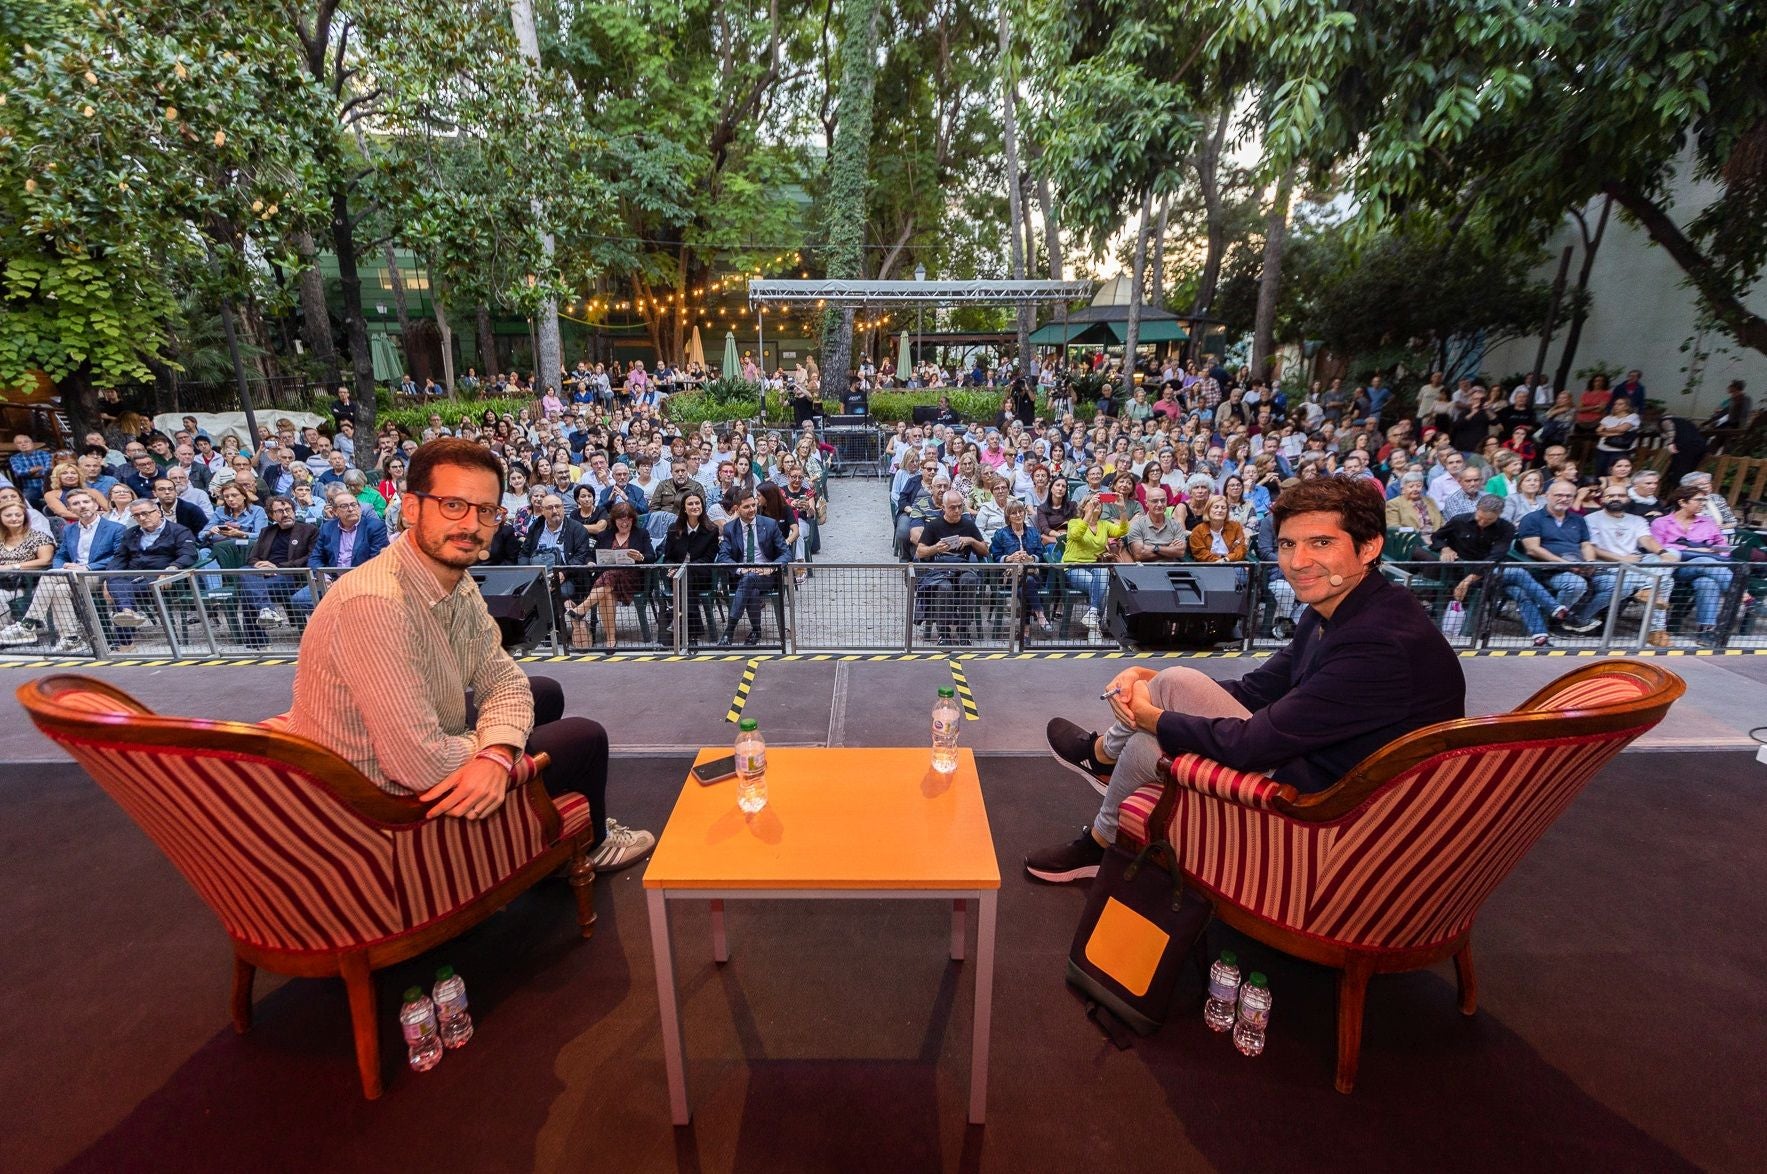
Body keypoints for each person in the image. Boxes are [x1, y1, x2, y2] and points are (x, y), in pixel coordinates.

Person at [1025, 476, 1466, 882]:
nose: (1298, 561)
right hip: (1321, 768)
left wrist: (1153, 718)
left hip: (1335, 808)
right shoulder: (1340, 608)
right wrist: (1151, 679)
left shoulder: (1376, 643)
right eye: (1289, 544)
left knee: (1149, 737)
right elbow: (1254, 690)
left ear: (1369, 547)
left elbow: (1254, 742)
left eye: (1321, 543)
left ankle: (1101, 790)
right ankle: (1101, 792)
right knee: (1170, 685)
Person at [280, 437, 652, 872]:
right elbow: (420, 764)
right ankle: (588, 845)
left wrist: (496, 750)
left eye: (486, 511)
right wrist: (498, 751)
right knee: (586, 738)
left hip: (426, 736)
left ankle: (532, 820)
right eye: (453, 505)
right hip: (377, 798)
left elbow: (505, 679)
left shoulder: (456, 581)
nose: (471, 524)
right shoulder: (375, 603)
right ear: (411, 508)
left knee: (542, 691)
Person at [0, 488, 124, 651]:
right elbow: (60, 555)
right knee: (59, 590)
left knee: (51, 577)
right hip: (70, 575)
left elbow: (118, 556)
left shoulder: (115, 528)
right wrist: (62, 567)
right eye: (76, 504)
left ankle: (28, 624)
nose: (82, 506)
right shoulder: (69, 529)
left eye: (86, 502)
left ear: (95, 505)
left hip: (98, 574)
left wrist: (86, 566)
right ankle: (71, 638)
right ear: (70, 509)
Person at [1513, 480, 1611, 637]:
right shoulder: (1532, 518)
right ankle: (1555, 621)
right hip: (1546, 569)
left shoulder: (1578, 520)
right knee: (1575, 584)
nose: (1564, 499)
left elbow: (1586, 545)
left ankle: (1575, 617)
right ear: (1547, 496)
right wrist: (1566, 564)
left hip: (1579, 565)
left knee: (1618, 584)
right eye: (1559, 495)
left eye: (1568, 496)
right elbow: (1533, 549)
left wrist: (1590, 562)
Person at [1651, 484, 1735, 647]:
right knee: (1704, 561)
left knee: (1707, 582)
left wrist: (1715, 552)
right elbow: (1658, 548)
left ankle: (1706, 631)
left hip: (1708, 568)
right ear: (1682, 502)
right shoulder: (1661, 522)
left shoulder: (1708, 522)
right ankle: (1741, 594)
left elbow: (1723, 547)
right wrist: (1693, 550)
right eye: (1698, 500)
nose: (1702, 503)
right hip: (1675, 568)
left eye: (1704, 500)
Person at [106, 497, 199, 641]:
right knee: (117, 583)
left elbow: (189, 554)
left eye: (145, 513)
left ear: (158, 512)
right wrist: (108, 578)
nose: (141, 518)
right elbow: (119, 559)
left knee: (120, 590)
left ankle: (125, 640)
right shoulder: (131, 533)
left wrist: (173, 568)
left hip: (161, 578)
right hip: (132, 577)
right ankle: (128, 612)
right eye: (136, 515)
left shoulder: (179, 531)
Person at [571, 500, 651, 650]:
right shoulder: (604, 535)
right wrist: (590, 563)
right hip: (607, 582)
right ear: (614, 520)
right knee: (607, 590)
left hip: (632, 580)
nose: (625, 523)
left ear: (633, 520)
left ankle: (581, 609)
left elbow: (651, 556)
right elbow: (590, 555)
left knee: (608, 576)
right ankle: (610, 639)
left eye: (628, 519)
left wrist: (641, 557)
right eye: (621, 519)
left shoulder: (641, 534)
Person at [238, 496, 319, 644]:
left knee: (249, 590)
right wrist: (260, 566)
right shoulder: (267, 531)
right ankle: (266, 610)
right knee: (245, 570)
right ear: (272, 515)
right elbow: (252, 558)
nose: (286, 514)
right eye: (280, 511)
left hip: (290, 575)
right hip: (264, 575)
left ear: (294, 511)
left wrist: (278, 567)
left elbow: (310, 557)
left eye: (288, 510)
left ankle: (256, 640)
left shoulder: (308, 530)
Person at [715, 488, 791, 646]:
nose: (752, 510)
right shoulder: (730, 528)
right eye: (746, 507)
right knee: (751, 588)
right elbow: (723, 556)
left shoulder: (769, 524)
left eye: (753, 505)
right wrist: (740, 569)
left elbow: (785, 553)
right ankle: (756, 630)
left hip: (767, 576)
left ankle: (729, 630)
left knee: (750, 580)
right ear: (737, 509)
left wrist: (771, 567)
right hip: (741, 577)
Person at [914, 489, 987, 644]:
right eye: (952, 507)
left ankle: (963, 629)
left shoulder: (968, 524)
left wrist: (971, 541)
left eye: (960, 506)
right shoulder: (934, 525)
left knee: (969, 581)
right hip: (940, 569)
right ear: (944, 508)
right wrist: (935, 548)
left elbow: (985, 550)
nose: (957, 510)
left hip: (962, 566)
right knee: (944, 587)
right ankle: (944, 632)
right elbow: (920, 552)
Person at [1062, 495, 1128, 640]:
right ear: (1083, 507)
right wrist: (1088, 514)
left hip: (1095, 566)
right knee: (1103, 586)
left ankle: (1092, 617)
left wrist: (1122, 509)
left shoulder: (1104, 524)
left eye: (1098, 503)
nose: (1096, 504)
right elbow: (1076, 534)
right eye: (1091, 502)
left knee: (1102, 573)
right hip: (1074, 566)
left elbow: (1122, 531)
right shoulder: (1074, 522)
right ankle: (1095, 626)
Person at [661, 490, 720, 645]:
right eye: (690, 504)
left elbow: (707, 559)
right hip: (677, 575)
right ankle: (692, 631)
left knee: (687, 576)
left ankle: (680, 626)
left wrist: (684, 568)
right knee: (683, 579)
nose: (694, 506)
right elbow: (667, 557)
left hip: (701, 574)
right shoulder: (674, 529)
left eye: (697, 503)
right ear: (684, 508)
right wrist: (671, 568)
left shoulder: (711, 530)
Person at [990, 499, 1050, 637]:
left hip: (1031, 573)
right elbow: (994, 555)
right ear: (1008, 516)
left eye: (1020, 511)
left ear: (1024, 513)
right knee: (1026, 584)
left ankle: (1025, 632)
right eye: (1013, 513)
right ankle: (1039, 616)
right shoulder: (1001, 533)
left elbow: (1040, 554)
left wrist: (1030, 558)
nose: (1018, 515)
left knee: (1027, 583)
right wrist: (1010, 558)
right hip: (1010, 576)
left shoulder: (1033, 532)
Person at [1126, 487, 1189, 562]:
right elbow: (1139, 555)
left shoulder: (1175, 525)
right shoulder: (1137, 525)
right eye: (1155, 501)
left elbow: (1180, 552)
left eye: (1163, 500)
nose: (1159, 504)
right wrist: (1169, 549)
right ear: (1146, 503)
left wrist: (1155, 548)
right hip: (1146, 570)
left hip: (1172, 570)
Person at [1187, 494, 1248, 562]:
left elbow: (1241, 549)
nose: (1220, 510)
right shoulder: (1198, 531)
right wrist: (1218, 561)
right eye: (1216, 507)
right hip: (1208, 567)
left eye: (1223, 508)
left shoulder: (1236, 527)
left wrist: (1226, 559)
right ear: (1208, 510)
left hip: (1232, 564)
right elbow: (1200, 553)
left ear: (1227, 511)